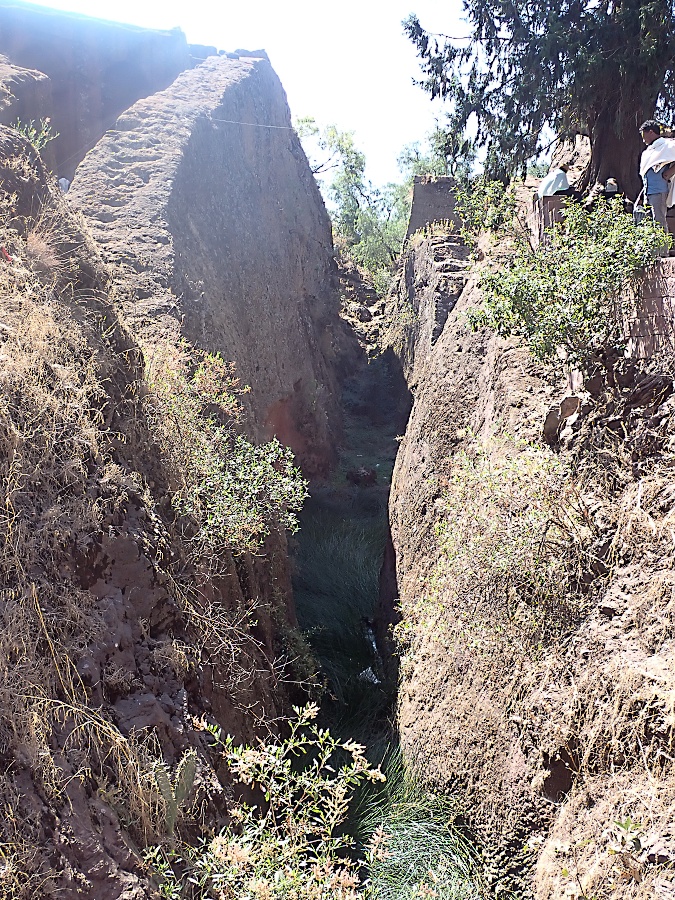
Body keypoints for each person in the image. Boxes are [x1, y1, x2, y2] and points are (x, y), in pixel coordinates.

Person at [638, 120, 675, 246]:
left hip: (659, 190)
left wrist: (669, 172)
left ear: (651, 132)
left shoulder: (667, 145)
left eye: (644, 135)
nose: (643, 139)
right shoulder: (650, 151)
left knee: (659, 220)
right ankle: (652, 251)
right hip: (649, 191)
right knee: (648, 222)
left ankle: (663, 251)